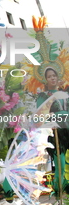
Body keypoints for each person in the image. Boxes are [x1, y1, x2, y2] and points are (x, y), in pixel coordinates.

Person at [36, 67, 69, 196]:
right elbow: (39, 115)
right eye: (49, 76)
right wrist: (49, 121)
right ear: (45, 79)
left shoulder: (66, 93)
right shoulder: (43, 95)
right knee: (60, 164)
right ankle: (59, 190)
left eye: (54, 75)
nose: (52, 78)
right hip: (56, 132)